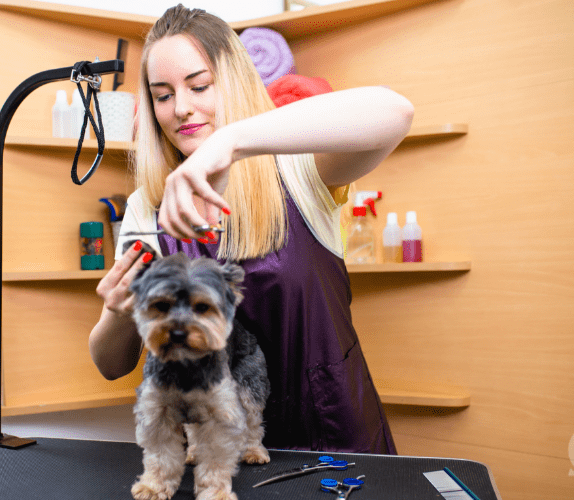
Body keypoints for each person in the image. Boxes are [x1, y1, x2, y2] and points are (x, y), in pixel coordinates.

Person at [88, 4, 414, 454]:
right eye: (163, 96)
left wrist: (230, 141)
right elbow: (110, 364)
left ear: (235, 81)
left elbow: (395, 112)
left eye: (200, 86)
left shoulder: (301, 171)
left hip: (329, 437)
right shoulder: (149, 206)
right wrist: (120, 313)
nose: (181, 109)